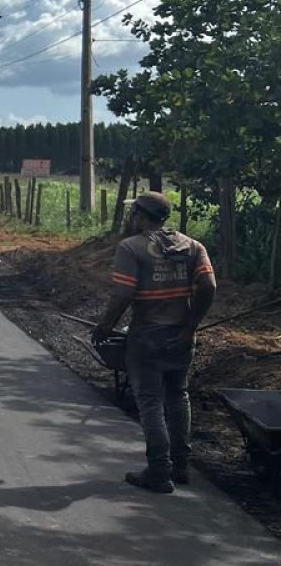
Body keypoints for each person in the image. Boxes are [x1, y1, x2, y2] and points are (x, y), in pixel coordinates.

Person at [91, 191, 217, 494]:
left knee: (149, 402)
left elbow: (122, 294)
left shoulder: (131, 248)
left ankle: (160, 472)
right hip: (182, 336)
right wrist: (190, 326)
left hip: (146, 336)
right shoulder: (192, 246)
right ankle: (181, 465)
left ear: (139, 215)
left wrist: (105, 326)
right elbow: (209, 285)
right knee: (178, 396)